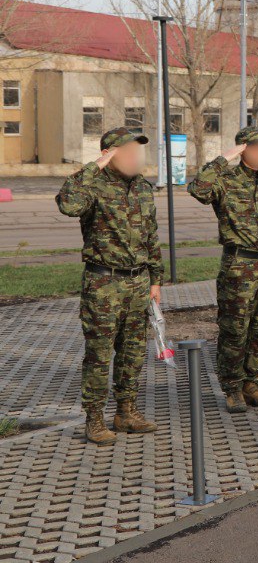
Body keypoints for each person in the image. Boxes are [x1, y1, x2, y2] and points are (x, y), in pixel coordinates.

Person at [56, 127, 161, 444]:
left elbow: (151, 236)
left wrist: (156, 279)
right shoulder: (92, 186)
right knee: (99, 355)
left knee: (133, 352)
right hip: (104, 282)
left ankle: (126, 413)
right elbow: (67, 204)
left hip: (138, 282)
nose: (134, 157)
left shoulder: (142, 187)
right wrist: (95, 166)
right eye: (127, 151)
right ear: (108, 155)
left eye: (136, 151)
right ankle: (95, 420)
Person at [188, 126, 258, 413]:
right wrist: (224, 158)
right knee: (234, 330)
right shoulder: (225, 181)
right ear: (243, 150)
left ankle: (252, 383)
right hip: (239, 267)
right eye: (257, 147)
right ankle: (232, 388)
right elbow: (197, 189)